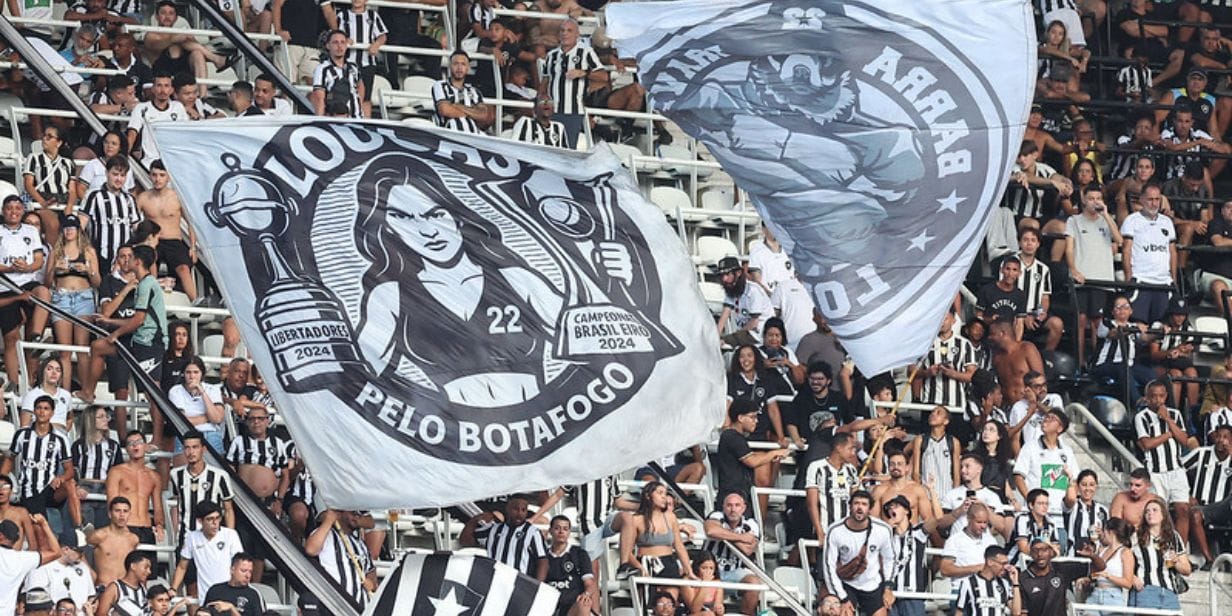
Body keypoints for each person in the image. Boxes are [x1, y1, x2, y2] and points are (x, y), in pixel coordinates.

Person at [349, 153, 637, 408]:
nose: (428, 230)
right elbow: (355, 378)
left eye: (435, 213)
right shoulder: (391, 296)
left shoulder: (515, 279)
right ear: (387, 229)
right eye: (404, 218)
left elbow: (596, 345)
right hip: (460, 448)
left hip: (536, 437)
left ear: (457, 215)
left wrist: (614, 283)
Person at [226, 407, 292, 582]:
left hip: (267, 503)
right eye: (252, 419)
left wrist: (280, 499)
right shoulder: (238, 442)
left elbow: (285, 475)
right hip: (245, 503)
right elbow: (230, 471)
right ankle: (241, 582)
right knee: (243, 544)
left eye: (260, 418)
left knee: (260, 548)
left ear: (267, 420)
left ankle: (254, 585)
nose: (256, 422)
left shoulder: (278, 444)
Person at [2, 395, 82, 530]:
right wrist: (2, 480)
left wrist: (60, 478)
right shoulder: (22, 434)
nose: (42, 412)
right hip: (29, 490)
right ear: (34, 411)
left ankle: (80, 526)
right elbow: (10, 459)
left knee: (70, 483)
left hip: (50, 489)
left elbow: (69, 470)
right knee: (39, 529)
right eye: (39, 408)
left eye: (46, 408)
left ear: (52, 412)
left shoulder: (60, 439)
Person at [1065, 183, 1120, 366]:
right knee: (1080, 320)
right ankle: (1080, 362)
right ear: (1083, 199)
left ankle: (1097, 362)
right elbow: (1069, 249)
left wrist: (1105, 214)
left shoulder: (1106, 220)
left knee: (1098, 322)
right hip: (1082, 277)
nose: (1094, 202)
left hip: (1102, 278)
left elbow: (1119, 239)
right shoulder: (1074, 221)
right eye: (1091, 198)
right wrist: (1073, 269)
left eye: (1098, 198)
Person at [1137, 380, 1198, 545]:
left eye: (1161, 396)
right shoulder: (1141, 417)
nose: (1157, 400)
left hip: (1176, 470)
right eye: (1153, 396)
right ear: (1147, 398)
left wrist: (1169, 421)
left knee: (1183, 510)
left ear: (1166, 396)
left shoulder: (1175, 414)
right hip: (1155, 472)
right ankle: (1163, 549)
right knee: (1160, 513)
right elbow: (1146, 444)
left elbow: (1185, 440)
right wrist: (1169, 435)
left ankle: (1180, 552)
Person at [0, 195, 50, 392]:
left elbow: (39, 259)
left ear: (22, 211)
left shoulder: (30, 231)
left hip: (27, 280)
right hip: (5, 285)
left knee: (43, 292)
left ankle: (37, 336)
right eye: (9, 208)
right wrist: (10, 268)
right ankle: (13, 383)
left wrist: (28, 267)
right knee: (11, 337)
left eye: (17, 208)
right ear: (4, 211)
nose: (13, 212)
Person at [47, 216, 100, 389]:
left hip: (83, 297)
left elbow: (98, 282)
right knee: (65, 351)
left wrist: (88, 270)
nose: (69, 230)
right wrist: (55, 268)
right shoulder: (56, 251)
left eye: (73, 227)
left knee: (82, 348)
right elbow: (47, 282)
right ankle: (65, 392)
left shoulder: (88, 251)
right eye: (66, 227)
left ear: (78, 230)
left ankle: (85, 390)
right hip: (61, 297)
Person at [822, 490, 895, 616]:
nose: (860, 508)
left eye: (864, 504)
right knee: (843, 613)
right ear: (850, 506)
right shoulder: (835, 530)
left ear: (870, 508)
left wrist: (888, 587)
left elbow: (890, 559)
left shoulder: (883, 530)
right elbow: (829, 566)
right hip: (847, 583)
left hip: (872, 583)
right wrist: (843, 598)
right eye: (856, 503)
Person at [715, 400, 788, 515]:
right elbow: (752, 461)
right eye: (752, 417)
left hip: (741, 495)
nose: (756, 421)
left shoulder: (736, 437)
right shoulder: (731, 436)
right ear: (740, 418)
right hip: (731, 497)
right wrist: (774, 453)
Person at [138, 159, 197, 301]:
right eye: (154, 175)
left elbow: (192, 223)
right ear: (149, 176)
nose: (157, 179)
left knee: (183, 269)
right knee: (149, 265)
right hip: (153, 241)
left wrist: (193, 247)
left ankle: (195, 302)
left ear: (168, 176)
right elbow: (134, 223)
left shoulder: (177, 198)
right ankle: (149, 299)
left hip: (174, 240)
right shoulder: (143, 198)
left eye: (161, 175)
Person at [169, 429, 236, 551]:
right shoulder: (175, 474)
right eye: (187, 448)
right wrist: (175, 533)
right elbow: (176, 505)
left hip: (213, 538)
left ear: (203, 449)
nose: (191, 452)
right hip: (186, 537)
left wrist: (229, 537)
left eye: (195, 447)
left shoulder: (219, 476)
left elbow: (228, 509)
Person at [617, 481, 695, 583]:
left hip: (669, 563)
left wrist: (689, 570)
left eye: (665, 493)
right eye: (660, 493)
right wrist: (639, 567)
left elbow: (679, 546)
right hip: (646, 563)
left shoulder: (671, 517)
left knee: (671, 597)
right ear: (648, 496)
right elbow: (627, 550)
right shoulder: (636, 519)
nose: (664, 497)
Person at [1121, 184, 1177, 324]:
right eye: (1150, 199)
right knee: (1138, 327)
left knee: (1160, 327)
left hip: (1164, 282)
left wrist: (1173, 278)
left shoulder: (1167, 222)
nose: (1154, 203)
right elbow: (1126, 249)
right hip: (1141, 279)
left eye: (1157, 199)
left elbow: (1172, 252)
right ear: (1142, 199)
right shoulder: (1132, 220)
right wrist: (1129, 277)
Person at [1012, 409, 1078, 525]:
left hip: (1060, 516)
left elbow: (1075, 479)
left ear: (1060, 428)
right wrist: (1031, 501)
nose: (1046, 419)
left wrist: (1068, 504)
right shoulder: (1030, 447)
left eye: (1052, 418)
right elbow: (1018, 476)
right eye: (1046, 417)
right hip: (1035, 516)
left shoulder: (1067, 452)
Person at [460, 495, 549, 580]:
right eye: (515, 509)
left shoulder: (533, 532)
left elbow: (542, 561)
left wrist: (537, 586)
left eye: (523, 510)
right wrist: (476, 519)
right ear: (507, 509)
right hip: (496, 582)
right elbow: (465, 540)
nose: (519, 513)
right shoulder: (493, 530)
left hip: (519, 585)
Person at [170, 501, 242, 605]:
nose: (215, 523)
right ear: (200, 521)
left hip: (229, 596)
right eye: (210, 519)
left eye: (218, 518)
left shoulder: (230, 535)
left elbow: (239, 564)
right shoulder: (192, 537)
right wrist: (173, 588)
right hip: (206, 597)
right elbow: (182, 566)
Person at [78, 156, 140, 278]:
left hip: (125, 259)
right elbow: (80, 225)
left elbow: (137, 228)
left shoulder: (129, 199)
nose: (119, 179)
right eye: (115, 174)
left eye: (122, 176)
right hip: (100, 255)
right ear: (106, 173)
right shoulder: (94, 196)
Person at [700, 492, 761, 615]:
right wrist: (741, 537)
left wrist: (723, 534)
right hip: (710, 571)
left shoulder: (751, 523)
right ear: (723, 507)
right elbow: (711, 530)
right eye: (729, 505)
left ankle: (745, 614)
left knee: (754, 583)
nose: (733, 509)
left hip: (735, 571)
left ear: (743, 508)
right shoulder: (716, 515)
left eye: (737, 505)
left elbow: (748, 550)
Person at [305, 510, 376, 609]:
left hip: (360, 608)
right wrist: (328, 521)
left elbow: (372, 576)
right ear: (339, 513)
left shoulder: (361, 545)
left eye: (359, 514)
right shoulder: (326, 535)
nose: (356, 516)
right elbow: (310, 549)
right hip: (334, 606)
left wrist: (372, 584)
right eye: (352, 513)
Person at [883, 496, 941, 616]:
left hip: (913, 596)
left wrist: (931, 491)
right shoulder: (884, 536)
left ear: (907, 511)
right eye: (889, 507)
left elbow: (938, 518)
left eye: (896, 506)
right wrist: (885, 529)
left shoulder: (918, 533)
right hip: (889, 595)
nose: (892, 509)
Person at [105, 431, 165, 546]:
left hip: (146, 527)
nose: (135, 445)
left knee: (148, 563)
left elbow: (158, 507)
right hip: (125, 526)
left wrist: (159, 525)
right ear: (126, 449)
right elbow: (111, 503)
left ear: (145, 446)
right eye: (130, 443)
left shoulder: (154, 476)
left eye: (139, 442)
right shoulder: (117, 472)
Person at [1090, 295, 1155, 399]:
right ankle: (1137, 401)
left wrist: (1161, 332)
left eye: (1125, 306)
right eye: (1118, 307)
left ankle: (1155, 403)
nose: (1122, 310)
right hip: (1105, 365)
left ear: (1131, 311)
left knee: (1150, 374)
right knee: (1122, 368)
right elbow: (1114, 333)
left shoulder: (1134, 326)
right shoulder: (1106, 323)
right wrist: (1134, 328)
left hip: (1129, 366)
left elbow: (1145, 338)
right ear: (1112, 312)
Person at [1132, 497, 1191, 609]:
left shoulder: (1173, 536)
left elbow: (1187, 570)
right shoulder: (1136, 536)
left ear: (1163, 514)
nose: (1150, 514)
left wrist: (1176, 561)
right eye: (1147, 511)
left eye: (1155, 510)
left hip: (1169, 591)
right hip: (1146, 589)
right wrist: (1132, 577)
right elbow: (1123, 559)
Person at [912, 309, 977, 410]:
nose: (942, 322)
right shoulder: (925, 343)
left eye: (945, 319)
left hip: (956, 405)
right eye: (939, 318)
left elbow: (972, 375)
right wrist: (927, 372)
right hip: (930, 403)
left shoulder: (964, 344)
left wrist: (953, 373)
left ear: (953, 320)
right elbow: (911, 372)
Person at [805, 432, 859, 546]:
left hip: (849, 532)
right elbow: (811, 503)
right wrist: (819, 531)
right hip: (826, 530)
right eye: (850, 449)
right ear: (838, 448)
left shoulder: (851, 470)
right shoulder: (816, 467)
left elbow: (856, 499)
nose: (853, 453)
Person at [71, 406, 121, 528]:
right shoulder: (79, 445)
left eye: (106, 416)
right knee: (86, 528)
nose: (106, 420)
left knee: (103, 529)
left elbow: (119, 471)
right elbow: (72, 470)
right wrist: (76, 487)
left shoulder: (113, 446)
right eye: (101, 417)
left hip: (106, 488)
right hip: (85, 487)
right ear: (90, 420)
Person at [24, 127, 76, 244]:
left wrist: (70, 206)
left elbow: (72, 190)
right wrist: (42, 202)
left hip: (62, 201)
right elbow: (28, 184)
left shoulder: (67, 163)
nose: (44, 139)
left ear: (59, 142)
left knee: (75, 226)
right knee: (53, 224)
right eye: (44, 135)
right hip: (42, 201)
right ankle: (53, 257)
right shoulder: (34, 158)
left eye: (49, 136)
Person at [334, 0, 386, 118]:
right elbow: (335, 34)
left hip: (367, 62)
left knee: (366, 97)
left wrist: (376, 44)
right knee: (344, 95)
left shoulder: (373, 15)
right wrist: (345, 39)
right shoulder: (342, 15)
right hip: (346, 63)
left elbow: (382, 35)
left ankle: (365, 124)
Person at [1015, 228, 1064, 350]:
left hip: (1034, 313)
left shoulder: (1044, 269)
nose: (1029, 243)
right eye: (1025, 240)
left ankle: (1046, 358)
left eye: (1033, 240)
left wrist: (1039, 314)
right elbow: (1005, 291)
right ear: (1020, 243)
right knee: (1018, 323)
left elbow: (1045, 297)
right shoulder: (1009, 264)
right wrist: (1022, 315)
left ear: (1038, 244)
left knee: (1057, 324)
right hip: (1013, 313)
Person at [0, 517, 60, 615]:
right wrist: (44, 524)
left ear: (1, 535)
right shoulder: (23, 559)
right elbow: (56, 552)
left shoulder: (23, 558)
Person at [24, 529, 94, 611]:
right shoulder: (43, 567)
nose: (82, 555)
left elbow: (91, 595)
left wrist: (92, 603)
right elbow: (35, 601)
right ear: (66, 550)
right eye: (80, 551)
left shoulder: (83, 567)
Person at [125, 71, 186, 162]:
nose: (163, 90)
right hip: (148, 162)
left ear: (172, 89)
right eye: (159, 85)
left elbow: (185, 134)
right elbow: (132, 133)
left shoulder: (178, 107)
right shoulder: (141, 108)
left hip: (173, 161)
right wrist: (124, 156)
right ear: (153, 89)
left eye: (166, 86)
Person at [167, 358, 225, 453]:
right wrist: (206, 418)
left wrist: (202, 391)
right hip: (185, 435)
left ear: (202, 373)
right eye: (188, 372)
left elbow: (217, 418)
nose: (192, 376)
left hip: (210, 434)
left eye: (196, 372)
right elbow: (181, 422)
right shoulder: (176, 391)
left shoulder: (212, 389)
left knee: (216, 467)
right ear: (183, 374)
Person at [1019, 538, 1089, 616]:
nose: (1040, 554)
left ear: (1051, 552)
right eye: (1035, 550)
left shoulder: (1061, 569)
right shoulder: (1024, 578)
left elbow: (1099, 567)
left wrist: (1092, 555)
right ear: (1031, 554)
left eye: (1044, 550)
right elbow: (1023, 611)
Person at [543, 515, 596, 616]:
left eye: (565, 529)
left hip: (572, 606)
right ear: (550, 530)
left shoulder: (579, 553)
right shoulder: (542, 555)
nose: (561, 532)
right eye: (557, 528)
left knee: (584, 603)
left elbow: (589, 583)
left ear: (569, 532)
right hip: (549, 606)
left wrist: (587, 594)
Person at [715, 256, 773, 346]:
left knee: (724, 343)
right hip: (745, 333)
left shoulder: (753, 291)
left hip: (760, 335)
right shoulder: (732, 288)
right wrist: (715, 336)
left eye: (727, 274)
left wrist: (732, 338)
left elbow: (754, 323)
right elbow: (725, 314)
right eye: (722, 275)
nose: (724, 279)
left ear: (738, 273)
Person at [432, 50, 492, 134]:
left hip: (473, 137)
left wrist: (457, 106)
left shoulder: (474, 91)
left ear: (467, 68)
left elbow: (483, 115)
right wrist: (472, 114)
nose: (459, 68)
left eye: (463, 64)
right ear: (450, 66)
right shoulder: (440, 85)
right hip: (448, 135)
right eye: (456, 64)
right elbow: (445, 110)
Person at [988, 318, 1044, 405]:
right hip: (1008, 407)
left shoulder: (1027, 349)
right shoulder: (997, 357)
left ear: (1002, 333)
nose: (990, 337)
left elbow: (1040, 378)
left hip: (1028, 404)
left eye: (992, 334)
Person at [908, 405, 960, 498]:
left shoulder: (953, 442)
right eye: (932, 412)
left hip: (947, 493)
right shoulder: (920, 440)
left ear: (946, 421)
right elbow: (916, 472)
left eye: (938, 413)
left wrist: (954, 495)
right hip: (926, 493)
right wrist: (920, 494)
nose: (933, 414)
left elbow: (956, 474)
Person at [939, 502, 1001, 581]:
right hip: (961, 588)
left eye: (985, 522)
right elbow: (945, 570)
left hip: (987, 588)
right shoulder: (954, 540)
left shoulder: (991, 540)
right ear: (968, 519)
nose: (983, 526)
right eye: (979, 522)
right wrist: (974, 569)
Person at [311, 29, 365, 118]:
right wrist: (320, 120)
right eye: (335, 42)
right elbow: (319, 97)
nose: (339, 46)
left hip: (356, 119)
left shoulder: (353, 67)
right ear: (328, 45)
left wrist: (359, 104)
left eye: (343, 42)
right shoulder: (322, 69)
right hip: (335, 120)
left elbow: (361, 86)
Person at [85, 497, 138, 587]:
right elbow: (79, 553)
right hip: (104, 587)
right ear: (110, 514)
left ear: (130, 514)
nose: (122, 515)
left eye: (125, 511)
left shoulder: (133, 539)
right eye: (117, 511)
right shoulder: (99, 536)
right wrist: (91, 573)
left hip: (125, 589)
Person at [953, 545, 1021, 616]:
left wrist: (1015, 583)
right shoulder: (968, 582)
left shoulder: (1004, 583)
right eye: (1003, 564)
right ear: (990, 562)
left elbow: (1016, 613)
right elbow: (959, 612)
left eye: (1007, 564)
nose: (1006, 567)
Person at [871, 450, 935, 524]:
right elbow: (874, 519)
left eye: (900, 464)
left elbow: (927, 518)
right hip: (889, 533)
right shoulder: (880, 490)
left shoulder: (917, 489)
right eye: (892, 464)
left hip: (912, 533)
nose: (896, 467)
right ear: (888, 467)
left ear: (907, 467)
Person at [1087, 517, 1135, 615]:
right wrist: (1088, 579)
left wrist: (1108, 576)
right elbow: (1097, 574)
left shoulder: (1125, 552)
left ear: (1111, 532)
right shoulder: (1101, 550)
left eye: (1104, 531)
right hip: (1096, 592)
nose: (1103, 535)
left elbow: (1128, 583)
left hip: (1113, 596)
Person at [976, 255, 1029, 338]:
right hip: (988, 335)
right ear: (1002, 270)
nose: (1010, 273)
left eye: (1014, 270)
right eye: (1008, 269)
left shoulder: (1020, 295)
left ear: (1019, 273)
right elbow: (978, 318)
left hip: (1008, 338)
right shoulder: (987, 290)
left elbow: (1019, 323)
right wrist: (990, 319)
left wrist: (1017, 345)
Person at [1008, 490, 1064, 566]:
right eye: (1040, 503)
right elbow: (1023, 548)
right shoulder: (1022, 519)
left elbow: (1056, 551)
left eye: (1047, 504)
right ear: (1031, 505)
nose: (1045, 507)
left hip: (1040, 566)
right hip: (1018, 564)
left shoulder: (1051, 523)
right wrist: (1046, 548)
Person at [201, 553, 266, 615]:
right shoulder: (215, 590)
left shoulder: (254, 594)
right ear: (232, 570)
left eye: (250, 572)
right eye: (243, 571)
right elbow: (203, 612)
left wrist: (232, 609)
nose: (248, 575)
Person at [19, 358, 73, 432]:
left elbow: (70, 418)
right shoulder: (32, 395)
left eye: (58, 370)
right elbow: (24, 425)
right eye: (49, 369)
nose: (54, 373)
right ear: (42, 372)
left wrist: (63, 433)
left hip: (61, 435)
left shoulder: (66, 395)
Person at [1065, 469, 1109, 556]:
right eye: (1084, 485)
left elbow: (1107, 541)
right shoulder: (1073, 506)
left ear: (1096, 486)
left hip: (1095, 557)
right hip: (1074, 556)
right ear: (1078, 486)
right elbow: (1070, 498)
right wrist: (1071, 480)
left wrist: (1101, 535)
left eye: (1092, 485)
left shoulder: (1102, 509)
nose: (1088, 488)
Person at [95, 550, 153, 616]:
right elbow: (100, 614)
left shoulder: (143, 589)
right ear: (133, 566)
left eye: (149, 568)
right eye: (145, 567)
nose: (149, 571)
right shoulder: (115, 588)